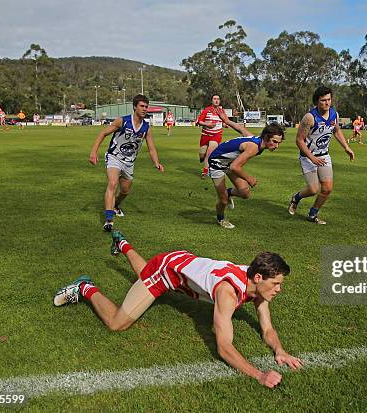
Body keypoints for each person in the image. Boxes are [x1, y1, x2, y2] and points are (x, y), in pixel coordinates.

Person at [53, 231, 303, 388]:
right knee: (119, 322)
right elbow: (224, 347)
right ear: (258, 277)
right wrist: (258, 375)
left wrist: (280, 350)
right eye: (276, 283)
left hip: (180, 262)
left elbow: (267, 328)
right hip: (166, 271)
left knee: (142, 276)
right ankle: (85, 287)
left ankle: (123, 244)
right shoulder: (228, 293)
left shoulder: (258, 288)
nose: (279, 289)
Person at [89, 94, 164, 231]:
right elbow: (102, 134)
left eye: (146, 107)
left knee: (125, 191)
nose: (144, 109)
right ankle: (109, 220)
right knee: (112, 183)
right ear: (135, 107)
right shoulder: (122, 121)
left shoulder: (146, 127)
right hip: (114, 157)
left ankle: (116, 205)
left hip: (129, 163)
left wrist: (156, 163)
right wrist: (94, 152)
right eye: (142, 106)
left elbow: (151, 148)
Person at [287, 86, 355, 225]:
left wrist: (346, 147)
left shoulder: (334, 114)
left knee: (327, 188)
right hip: (308, 157)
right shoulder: (309, 118)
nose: (327, 103)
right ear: (316, 101)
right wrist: (312, 158)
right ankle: (296, 198)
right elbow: (299, 140)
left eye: (329, 99)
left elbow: (336, 131)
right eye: (323, 100)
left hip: (324, 156)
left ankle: (313, 214)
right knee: (313, 189)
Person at [208, 108, 285, 229]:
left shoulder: (256, 140)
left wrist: (227, 121)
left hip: (229, 163)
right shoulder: (253, 147)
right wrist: (249, 179)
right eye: (274, 142)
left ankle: (228, 193)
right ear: (266, 137)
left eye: (279, 143)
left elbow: (241, 129)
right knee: (222, 201)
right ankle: (221, 218)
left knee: (244, 192)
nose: (276, 146)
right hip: (216, 163)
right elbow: (235, 167)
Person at [197, 95, 224, 178]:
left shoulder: (222, 111)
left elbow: (224, 121)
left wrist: (225, 124)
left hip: (216, 135)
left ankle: (205, 172)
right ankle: (202, 157)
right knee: (202, 154)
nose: (216, 100)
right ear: (211, 101)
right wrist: (207, 124)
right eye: (214, 99)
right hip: (205, 134)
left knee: (209, 153)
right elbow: (199, 121)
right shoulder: (206, 110)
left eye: (218, 99)